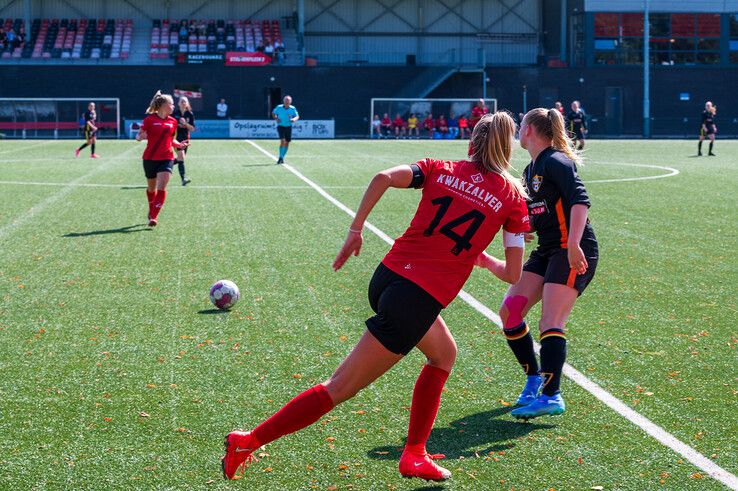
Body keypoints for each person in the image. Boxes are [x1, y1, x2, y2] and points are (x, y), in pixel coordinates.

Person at [221, 111, 530, 482]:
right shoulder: (513, 198)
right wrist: (482, 260)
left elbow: (383, 177)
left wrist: (356, 229)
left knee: (444, 353)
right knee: (339, 387)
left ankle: (415, 453)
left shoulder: (440, 167)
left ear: (471, 143)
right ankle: (249, 440)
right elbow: (513, 274)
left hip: (387, 278)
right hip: (415, 299)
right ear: (508, 151)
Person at [479, 107, 598, 421]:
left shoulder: (557, 160)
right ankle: (534, 377)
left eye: (521, 126)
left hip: (571, 250)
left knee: (550, 322)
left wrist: (573, 245)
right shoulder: (531, 170)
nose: (517, 131)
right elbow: (540, 210)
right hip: (548, 250)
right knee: (510, 311)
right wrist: (529, 226)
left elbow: (579, 202)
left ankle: (551, 395)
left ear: (530, 129)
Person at [135, 91, 189, 227]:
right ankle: (151, 207)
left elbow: (172, 140)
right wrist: (140, 137)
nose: (172, 106)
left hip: (166, 158)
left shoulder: (173, 121)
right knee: (151, 189)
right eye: (170, 104)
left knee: (162, 187)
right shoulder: (149, 120)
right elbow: (139, 135)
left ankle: (153, 216)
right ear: (162, 105)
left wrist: (179, 145)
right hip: (149, 159)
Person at [172, 96, 195, 186]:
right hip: (176, 138)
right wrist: (178, 124)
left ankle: (164, 165)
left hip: (185, 139)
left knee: (180, 159)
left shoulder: (190, 114)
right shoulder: (174, 113)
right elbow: (170, 124)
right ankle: (183, 179)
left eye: (185, 101)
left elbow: (192, 129)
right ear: (178, 103)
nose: (183, 103)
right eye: (181, 101)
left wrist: (185, 124)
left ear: (187, 103)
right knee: (181, 156)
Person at [272, 95, 299, 164]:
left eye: (288, 100)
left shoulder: (293, 108)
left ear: (290, 102)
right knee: (283, 140)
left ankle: (282, 157)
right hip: (281, 126)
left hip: (288, 127)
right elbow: (274, 113)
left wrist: (293, 119)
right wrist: (276, 118)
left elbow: (297, 116)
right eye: (286, 100)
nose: (287, 102)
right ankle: (280, 157)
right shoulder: (279, 107)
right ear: (283, 101)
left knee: (287, 142)